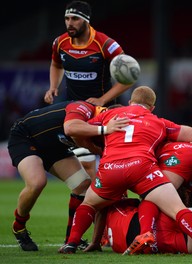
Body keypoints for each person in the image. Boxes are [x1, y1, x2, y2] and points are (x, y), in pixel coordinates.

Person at [59, 86, 192, 255]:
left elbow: (74, 130)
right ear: (152, 107)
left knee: (89, 204)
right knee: (177, 209)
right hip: (142, 168)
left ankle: (72, 243)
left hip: (110, 169)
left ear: (129, 102)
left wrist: (95, 144)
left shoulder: (109, 116)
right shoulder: (157, 121)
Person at [7, 100, 126, 251]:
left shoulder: (104, 126)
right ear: (108, 113)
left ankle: (71, 240)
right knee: (37, 182)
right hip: (25, 137)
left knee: (82, 185)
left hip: (55, 147)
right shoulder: (84, 108)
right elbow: (70, 129)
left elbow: (86, 143)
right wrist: (104, 130)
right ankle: (19, 226)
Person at [43, 0, 132, 184]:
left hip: (104, 111)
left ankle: (114, 201)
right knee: (86, 165)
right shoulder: (60, 42)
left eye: (75, 18)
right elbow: (56, 64)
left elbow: (128, 78)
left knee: (114, 161)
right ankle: (94, 204)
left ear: (86, 20)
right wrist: (53, 86)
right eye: (67, 18)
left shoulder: (106, 44)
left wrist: (101, 100)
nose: (69, 23)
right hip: (75, 111)